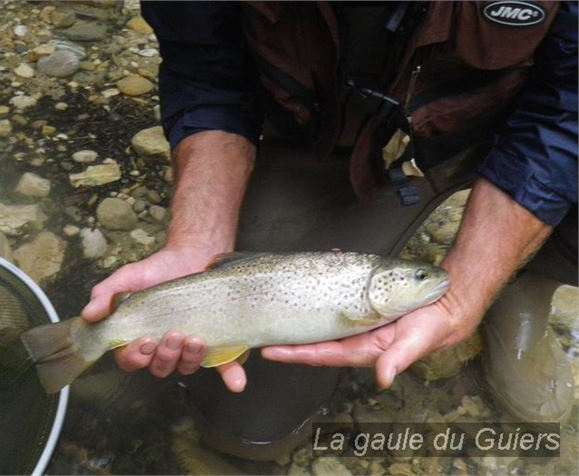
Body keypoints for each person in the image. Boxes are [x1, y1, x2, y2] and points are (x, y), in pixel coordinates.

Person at [81, 2, 578, 459]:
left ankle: (527, 287)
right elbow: (205, 72)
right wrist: (198, 238)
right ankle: (87, 343)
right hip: (321, 135)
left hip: (493, 116)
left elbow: (567, 109)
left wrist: (467, 291)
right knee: (250, 425)